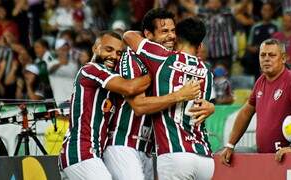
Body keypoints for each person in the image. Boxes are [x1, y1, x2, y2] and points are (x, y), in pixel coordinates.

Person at [104, 9, 206, 180]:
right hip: (124, 145)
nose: (171, 36)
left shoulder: (173, 61)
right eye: (164, 31)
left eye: (173, 31)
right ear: (148, 35)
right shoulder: (132, 57)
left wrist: (208, 106)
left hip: (150, 149)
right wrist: (179, 95)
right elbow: (139, 106)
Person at [58, 31, 150, 180]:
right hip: (80, 152)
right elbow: (130, 87)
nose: (114, 56)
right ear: (96, 48)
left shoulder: (110, 81)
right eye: (109, 49)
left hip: (92, 153)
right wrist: (154, 72)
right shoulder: (91, 69)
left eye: (119, 53)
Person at [220, 39, 291, 166]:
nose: (266, 59)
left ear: (283, 58)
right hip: (267, 160)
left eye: (272, 55)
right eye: (263, 55)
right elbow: (245, 113)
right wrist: (230, 145)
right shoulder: (260, 82)